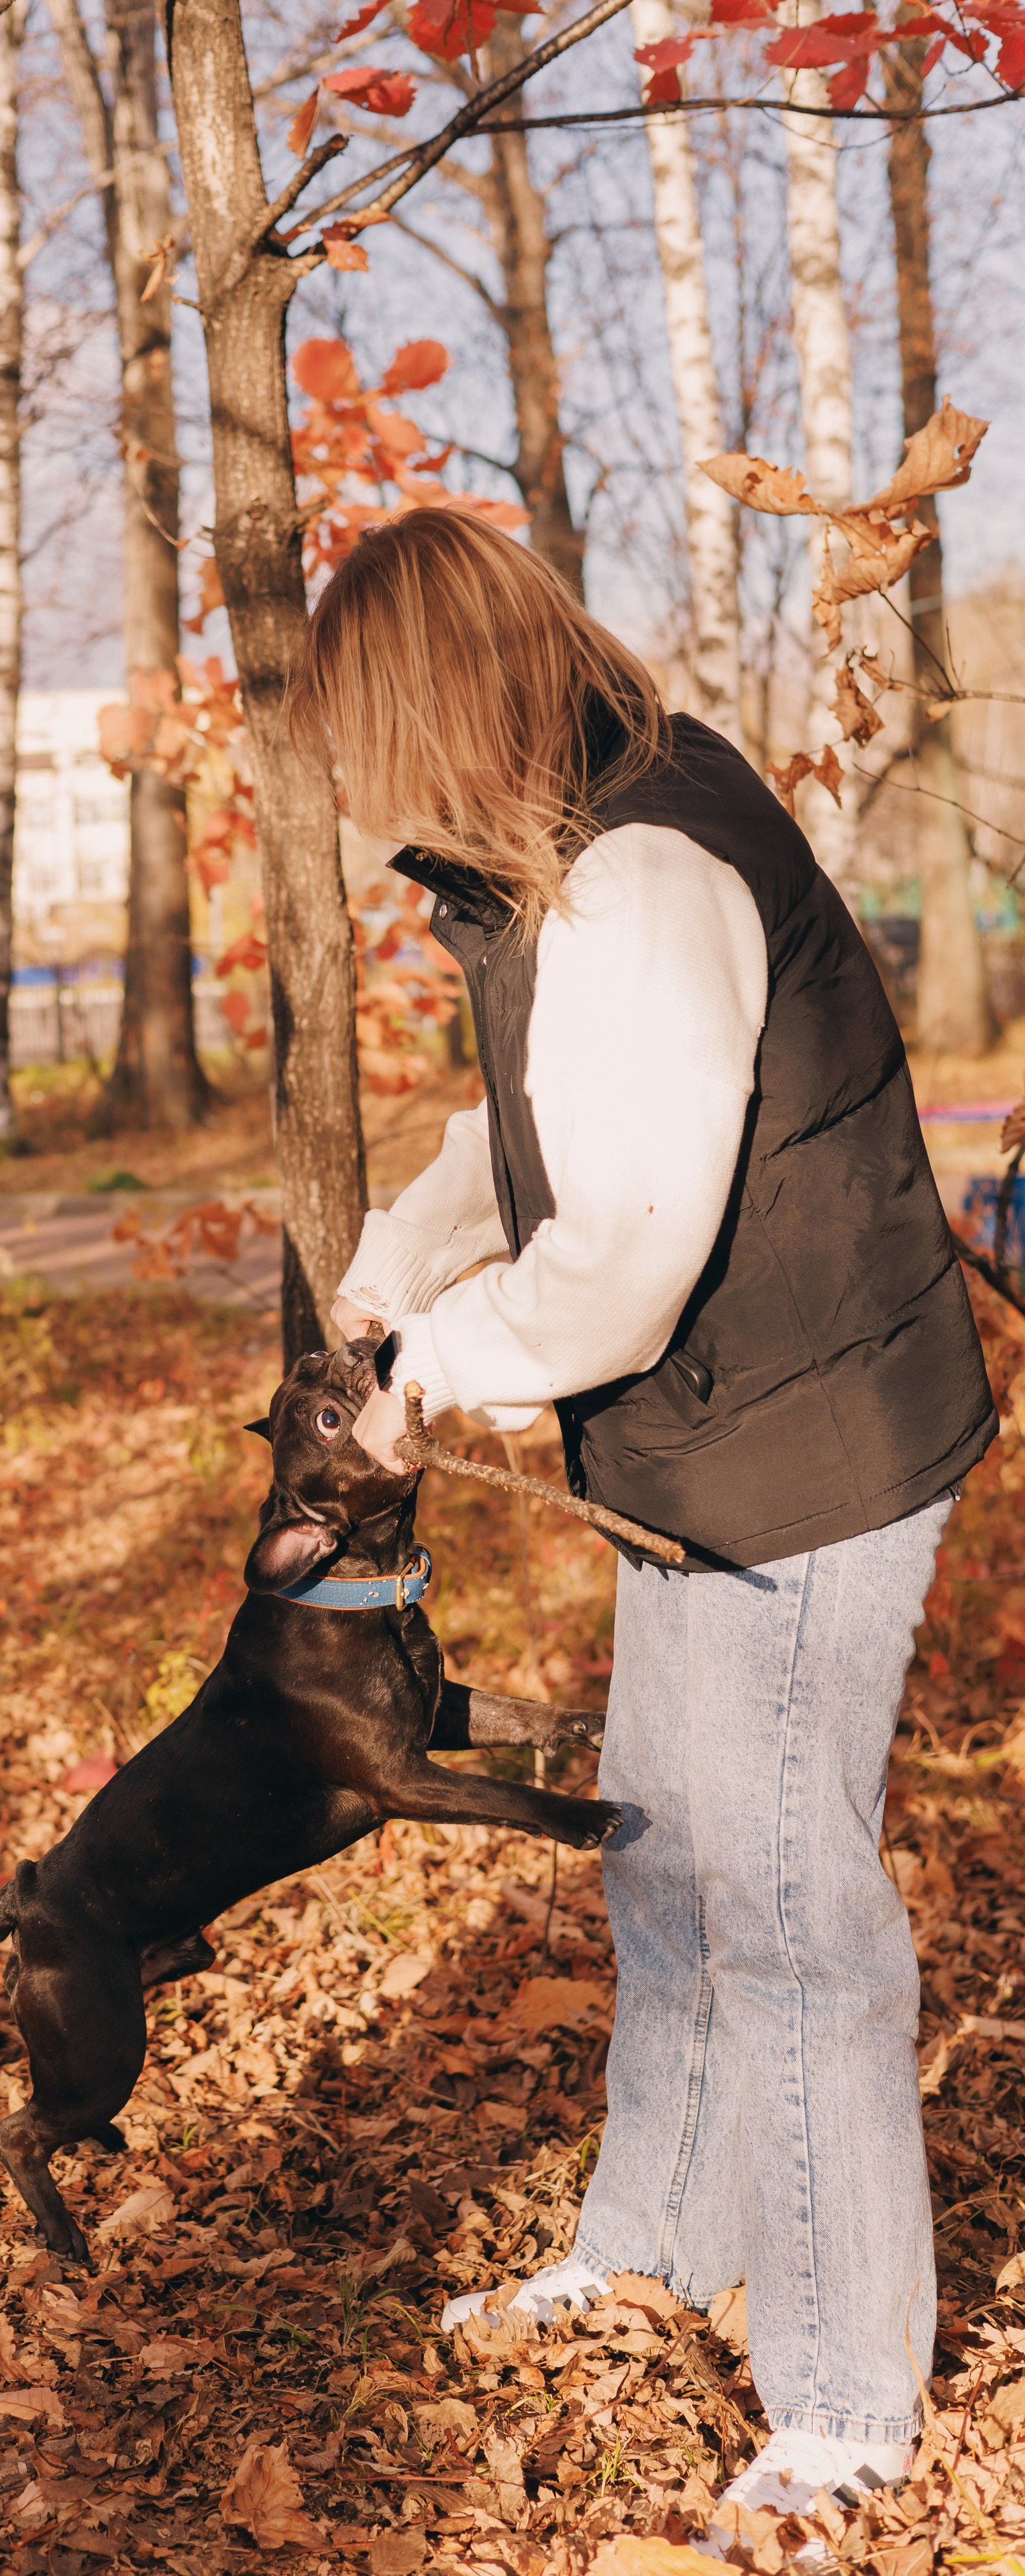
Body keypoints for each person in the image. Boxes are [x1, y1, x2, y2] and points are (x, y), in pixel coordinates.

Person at [291, 509, 996, 2555]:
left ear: (445, 698)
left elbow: (613, 1268)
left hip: (808, 1451)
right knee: (672, 1873)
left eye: (378, 738)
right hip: (710, 1457)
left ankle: (850, 2406)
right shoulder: (561, 859)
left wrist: (424, 1374)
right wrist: (392, 1269)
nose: (372, 790)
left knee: (789, 1921)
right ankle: (654, 2250)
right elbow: (511, 1141)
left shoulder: (642, 874)